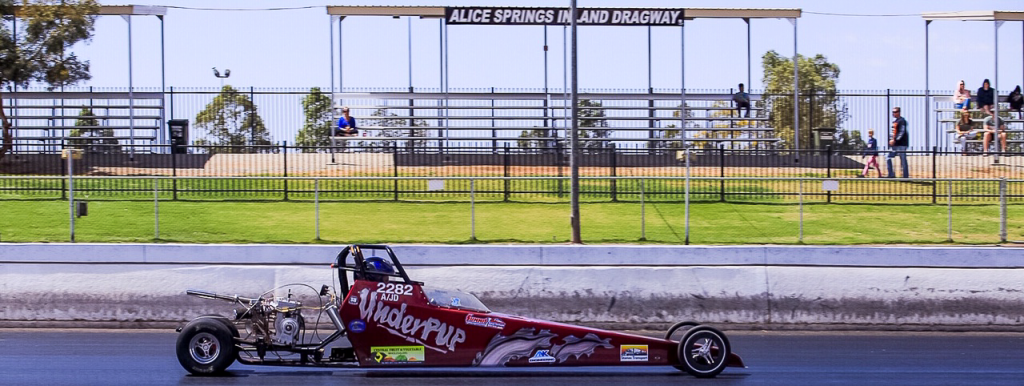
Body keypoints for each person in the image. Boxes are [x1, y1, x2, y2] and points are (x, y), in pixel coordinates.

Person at [886, 107, 909, 179]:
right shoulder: (895, 122)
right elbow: (893, 132)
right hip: (895, 145)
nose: (894, 113)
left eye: (895, 112)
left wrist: (895, 140)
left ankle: (905, 177)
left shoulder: (902, 121)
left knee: (903, 160)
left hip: (901, 144)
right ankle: (891, 174)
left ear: (899, 112)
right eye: (893, 112)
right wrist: (890, 140)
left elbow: (902, 132)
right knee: (887, 157)